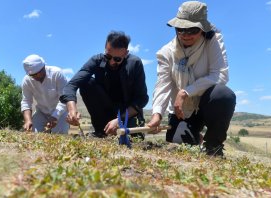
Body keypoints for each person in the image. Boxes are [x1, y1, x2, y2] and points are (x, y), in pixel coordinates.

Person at [147, 1, 236, 156]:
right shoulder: (166, 52)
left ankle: (213, 146)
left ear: (202, 28)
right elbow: (163, 85)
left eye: (192, 30)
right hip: (181, 110)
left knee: (224, 95)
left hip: (206, 104)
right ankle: (196, 136)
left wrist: (185, 92)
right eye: (180, 29)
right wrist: (157, 114)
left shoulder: (213, 40)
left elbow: (220, 74)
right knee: (180, 146)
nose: (185, 35)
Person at [60, 31, 149, 138]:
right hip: (106, 112)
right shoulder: (97, 60)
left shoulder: (135, 63)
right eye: (108, 56)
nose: (111, 62)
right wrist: (72, 110)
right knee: (87, 82)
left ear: (125, 53)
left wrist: (119, 120)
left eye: (117, 59)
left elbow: (142, 99)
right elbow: (72, 85)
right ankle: (100, 131)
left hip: (128, 115)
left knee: (131, 140)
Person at [21, 54, 69, 134]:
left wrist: (55, 116)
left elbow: (64, 98)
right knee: (35, 135)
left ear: (43, 66)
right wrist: (28, 120)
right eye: (32, 75)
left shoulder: (57, 73)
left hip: (60, 112)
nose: (36, 76)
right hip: (41, 112)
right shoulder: (26, 81)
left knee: (59, 135)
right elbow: (26, 101)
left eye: (38, 73)